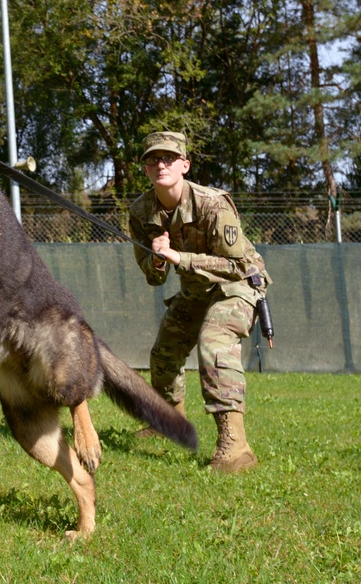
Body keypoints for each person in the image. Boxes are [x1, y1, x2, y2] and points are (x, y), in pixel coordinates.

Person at [127, 131, 270, 473]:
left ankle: (236, 447)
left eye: (169, 158)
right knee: (165, 352)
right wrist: (160, 259)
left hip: (238, 285)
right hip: (197, 289)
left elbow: (237, 265)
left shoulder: (212, 204)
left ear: (185, 165)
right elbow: (153, 276)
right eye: (152, 159)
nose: (160, 164)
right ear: (145, 170)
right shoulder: (141, 212)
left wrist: (181, 257)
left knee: (214, 342)